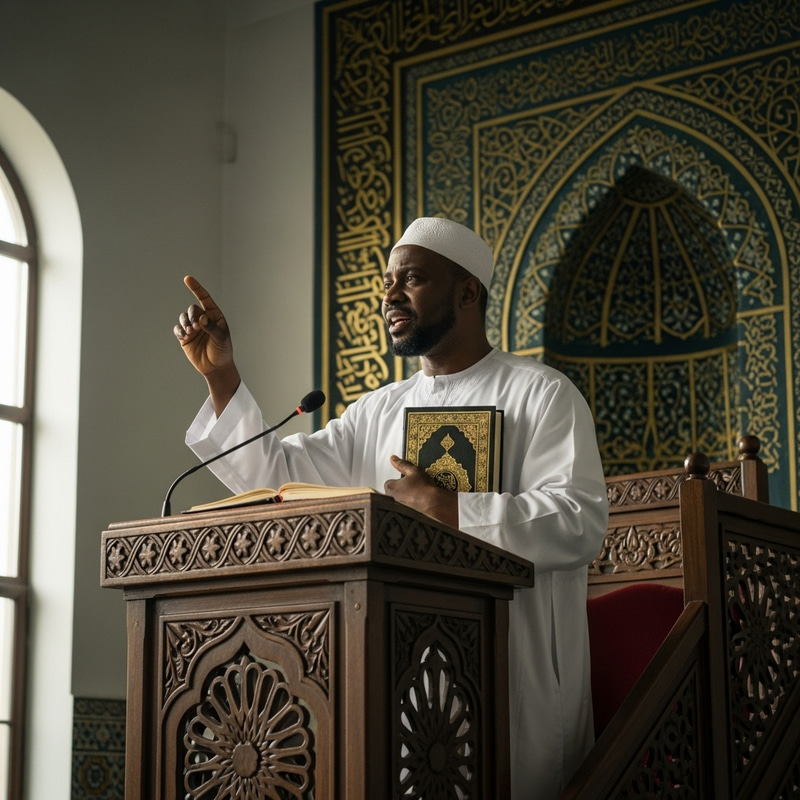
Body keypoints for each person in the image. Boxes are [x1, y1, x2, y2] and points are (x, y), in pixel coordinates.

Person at [174, 217, 609, 799]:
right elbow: (280, 480)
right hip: (400, 682)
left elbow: (579, 521)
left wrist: (454, 511)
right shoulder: (377, 412)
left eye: (411, 279)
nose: (390, 295)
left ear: (467, 292)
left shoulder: (541, 393)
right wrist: (222, 377)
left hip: (517, 683)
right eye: (386, 281)